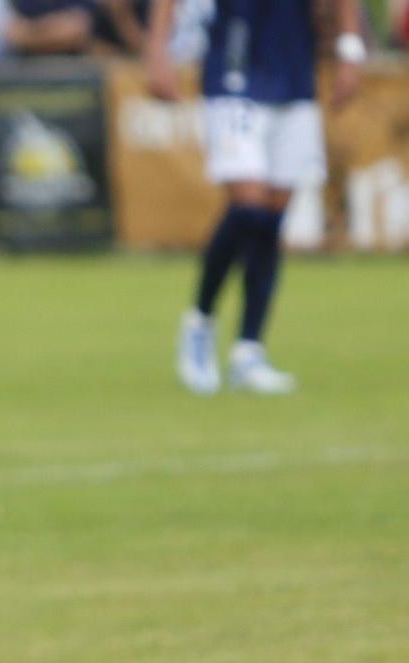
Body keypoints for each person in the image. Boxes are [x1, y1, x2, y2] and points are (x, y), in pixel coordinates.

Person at [149, 0, 366, 394]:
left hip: (294, 65)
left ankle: (249, 350)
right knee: (248, 208)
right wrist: (157, 50)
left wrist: (350, 50)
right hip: (235, 63)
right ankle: (200, 321)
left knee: (271, 219)